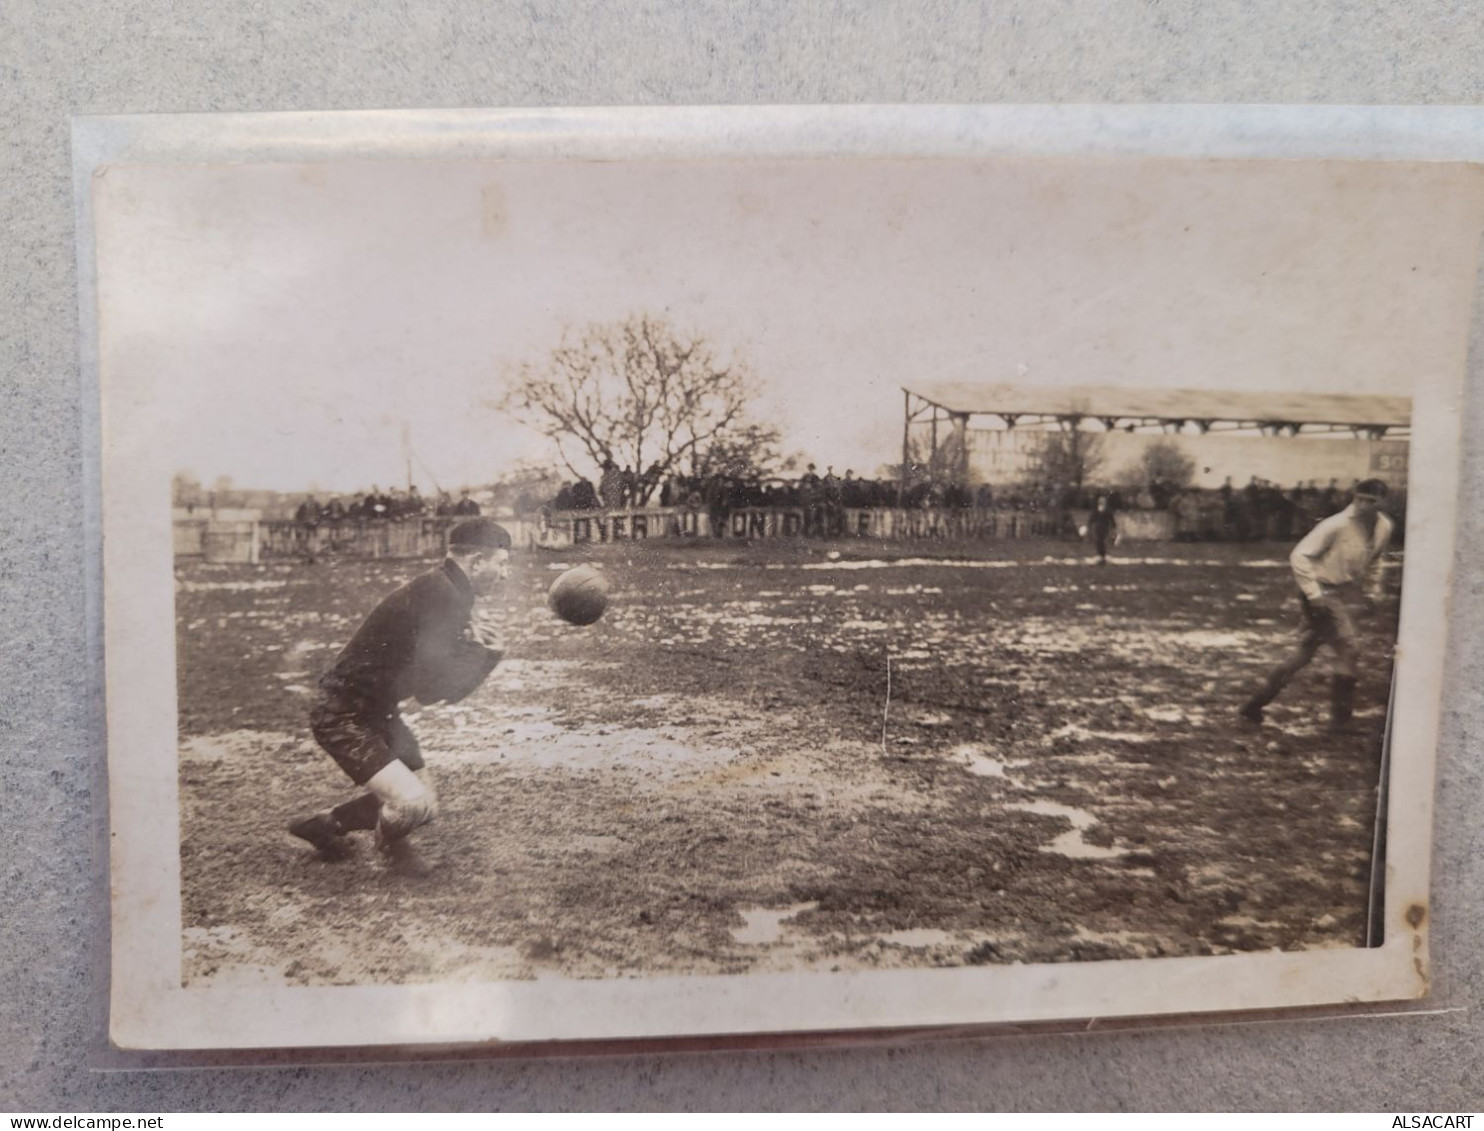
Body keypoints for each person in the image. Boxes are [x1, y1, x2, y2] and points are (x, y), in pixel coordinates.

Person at [288, 518, 512, 873]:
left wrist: (481, 656)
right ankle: (393, 852)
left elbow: (434, 684)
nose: (504, 574)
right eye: (501, 563)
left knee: (426, 806)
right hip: (342, 714)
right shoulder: (443, 595)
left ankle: (325, 826)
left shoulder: (447, 589)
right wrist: (484, 657)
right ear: (476, 561)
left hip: (375, 712)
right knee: (411, 805)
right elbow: (431, 692)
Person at [1239, 479, 1395, 732]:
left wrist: (1374, 590)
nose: (1363, 505)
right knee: (1349, 649)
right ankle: (1340, 721)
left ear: (1383, 502)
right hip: (1321, 592)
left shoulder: (1383, 526)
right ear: (1353, 497)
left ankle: (1253, 705)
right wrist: (1314, 595)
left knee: (1304, 653)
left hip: (1342, 593)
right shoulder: (1336, 525)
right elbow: (1299, 555)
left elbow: (1376, 560)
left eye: (1371, 501)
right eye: (1359, 499)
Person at [1086, 494, 1117, 565]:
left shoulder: (1107, 511)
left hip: (1104, 528)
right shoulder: (1096, 510)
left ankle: (1102, 555)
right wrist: (1089, 526)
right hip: (1098, 528)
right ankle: (1100, 555)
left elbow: (1111, 520)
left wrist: (1113, 528)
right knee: (1098, 541)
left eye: (1104, 501)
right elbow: (1091, 519)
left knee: (1102, 541)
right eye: (1101, 501)